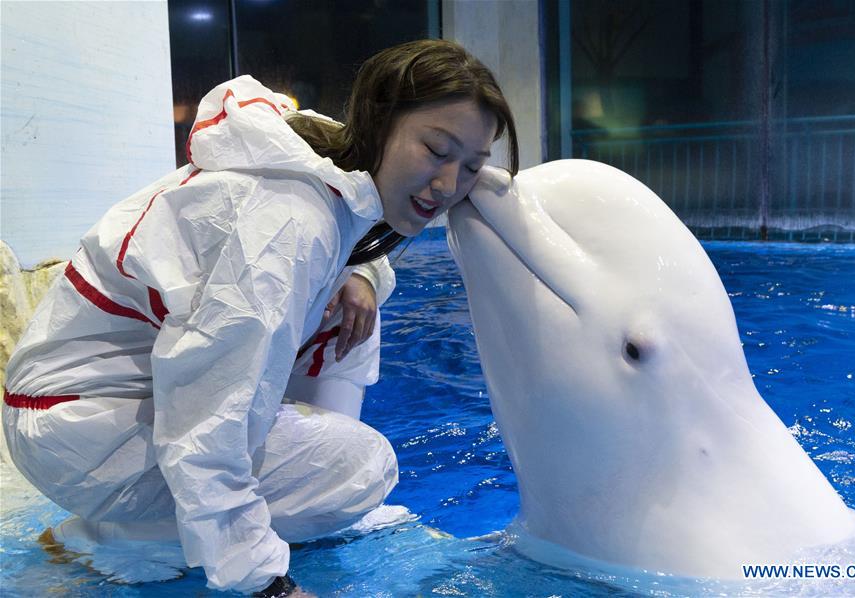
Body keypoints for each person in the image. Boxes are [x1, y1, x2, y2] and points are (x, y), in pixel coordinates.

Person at [2, 39, 518, 596]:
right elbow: (207, 415)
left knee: (357, 301)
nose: (449, 186)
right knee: (361, 469)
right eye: (436, 149)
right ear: (380, 119)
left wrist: (361, 274)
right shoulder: (288, 223)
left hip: (78, 404)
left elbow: (352, 250)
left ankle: (227, 514)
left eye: (471, 166)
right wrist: (263, 578)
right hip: (78, 433)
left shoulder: (311, 159)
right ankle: (127, 536)